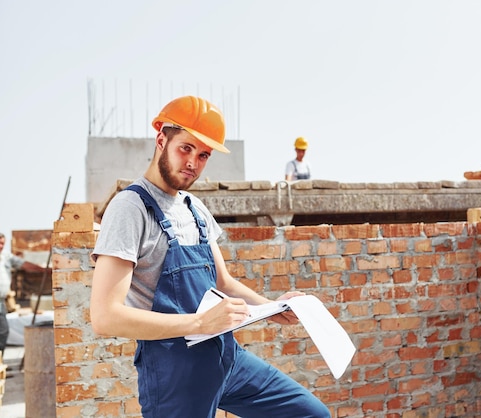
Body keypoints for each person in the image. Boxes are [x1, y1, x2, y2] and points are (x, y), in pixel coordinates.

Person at [90, 96, 330, 418]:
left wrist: (272, 308)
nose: (193, 162)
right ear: (161, 139)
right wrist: (201, 322)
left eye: (203, 155)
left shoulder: (195, 208)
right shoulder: (130, 209)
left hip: (226, 359)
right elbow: (105, 316)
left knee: (310, 414)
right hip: (175, 375)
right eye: (186, 148)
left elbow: (224, 283)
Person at [0, 232, 46, 357]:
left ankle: (0, 362)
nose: (1, 246)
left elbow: (25, 264)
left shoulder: (6, 256)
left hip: (1, 301)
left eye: (3, 243)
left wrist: (43, 269)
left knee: (3, 331)